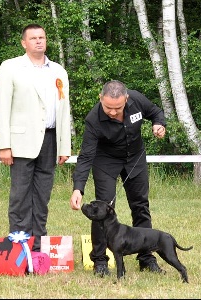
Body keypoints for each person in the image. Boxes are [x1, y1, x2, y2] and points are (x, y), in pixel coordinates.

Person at [69, 80, 166, 277]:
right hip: (106, 162)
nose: (112, 112)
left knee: (140, 206)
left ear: (127, 99)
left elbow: (156, 112)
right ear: (100, 99)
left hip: (135, 159)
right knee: (101, 210)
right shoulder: (93, 119)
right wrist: (78, 188)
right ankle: (99, 261)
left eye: (118, 108)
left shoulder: (137, 100)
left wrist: (159, 124)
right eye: (108, 108)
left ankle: (146, 258)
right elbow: (86, 156)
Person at [0, 24, 71, 252]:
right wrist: (4, 145)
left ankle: (38, 249)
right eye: (33, 38)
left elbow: (63, 109)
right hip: (20, 144)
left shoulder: (59, 71)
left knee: (42, 198)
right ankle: (19, 247)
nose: (39, 41)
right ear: (23, 43)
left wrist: (64, 145)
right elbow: (0, 108)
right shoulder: (10, 68)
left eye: (42, 37)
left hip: (50, 140)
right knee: (20, 197)